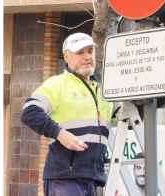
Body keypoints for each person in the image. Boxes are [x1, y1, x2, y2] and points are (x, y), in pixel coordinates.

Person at [21, 33, 120, 196]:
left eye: (90, 51)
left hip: (95, 179)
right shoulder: (57, 84)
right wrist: (61, 134)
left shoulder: (105, 91)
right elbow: (29, 112)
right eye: (80, 53)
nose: (87, 57)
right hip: (64, 178)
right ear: (67, 57)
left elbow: (129, 120)